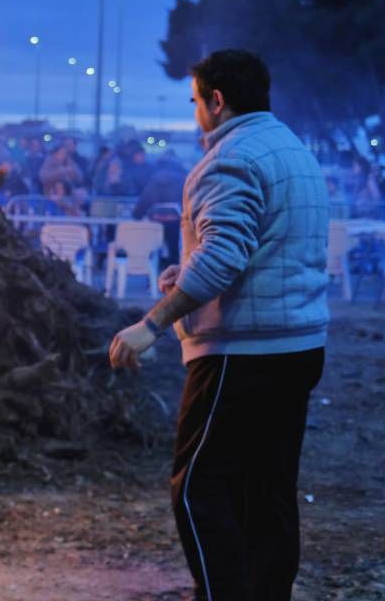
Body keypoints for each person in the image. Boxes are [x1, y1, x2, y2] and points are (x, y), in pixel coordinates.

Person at [109, 49, 328, 601]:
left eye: (194, 101)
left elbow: (225, 256)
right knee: (267, 489)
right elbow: (260, 247)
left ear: (217, 101)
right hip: (299, 345)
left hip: (242, 352)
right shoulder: (294, 152)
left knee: (198, 489)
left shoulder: (229, 159)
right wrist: (187, 272)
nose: (194, 113)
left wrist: (152, 324)